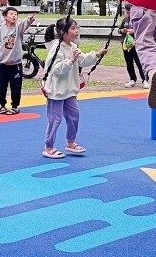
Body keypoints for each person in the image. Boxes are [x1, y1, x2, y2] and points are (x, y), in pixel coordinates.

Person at [41, 17, 107, 159]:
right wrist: (70, 60)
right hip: (56, 91)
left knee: (74, 117)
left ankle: (70, 143)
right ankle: (49, 147)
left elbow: (82, 59)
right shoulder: (56, 48)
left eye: (77, 28)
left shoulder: (72, 46)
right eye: (73, 28)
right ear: (63, 31)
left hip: (69, 91)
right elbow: (56, 69)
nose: (76, 31)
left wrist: (97, 54)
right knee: (55, 119)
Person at [0, 6, 35, 115]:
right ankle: (2, 105)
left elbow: (25, 24)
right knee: (2, 86)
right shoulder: (2, 30)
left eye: (16, 14)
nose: (14, 16)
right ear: (5, 17)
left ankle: (15, 106)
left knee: (16, 86)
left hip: (16, 64)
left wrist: (29, 20)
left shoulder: (18, 28)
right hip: (4, 63)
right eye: (11, 14)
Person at [119, 3, 148, 88]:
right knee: (129, 62)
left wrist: (134, 31)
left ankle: (145, 79)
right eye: (127, 12)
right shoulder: (125, 20)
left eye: (130, 12)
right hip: (126, 45)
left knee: (139, 62)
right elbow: (119, 30)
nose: (129, 14)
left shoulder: (139, 20)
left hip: (137, 44)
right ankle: (132, 79)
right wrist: (122, 31)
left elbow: (144, 30)